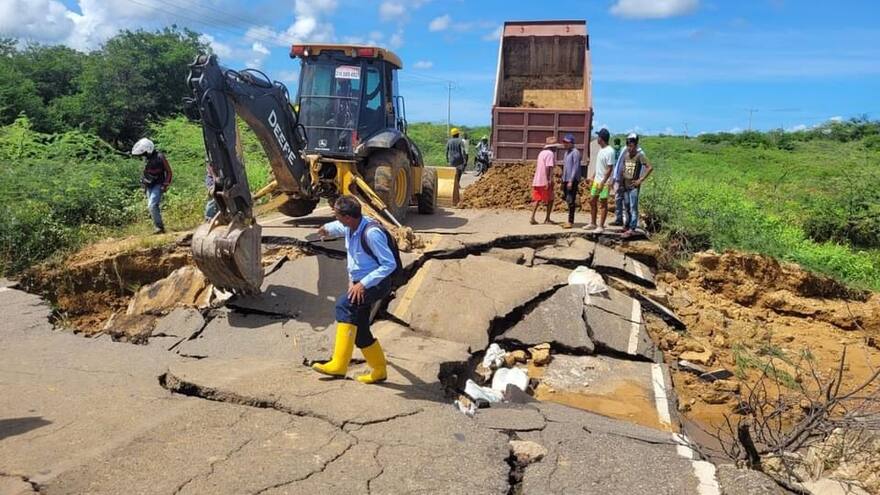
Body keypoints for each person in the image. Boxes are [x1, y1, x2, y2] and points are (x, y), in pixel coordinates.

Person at [313, 196, 400, 384]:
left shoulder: (371, 233)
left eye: (337, 215)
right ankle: (379, 370)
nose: (336, 218)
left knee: (344, 306)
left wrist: (362, 284)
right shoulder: (349, 226)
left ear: (347, 217)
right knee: (360, 329)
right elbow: (336, 227)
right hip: (361, 282)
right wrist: (325, 229)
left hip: (376, 282)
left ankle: (339, 364)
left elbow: (389, 264)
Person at [616, 133, 653, 239]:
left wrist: (640, 180)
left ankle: (632, 228)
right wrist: (621, 183)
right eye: (628, 146)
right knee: (626, 206)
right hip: (625, 186)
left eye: (631, 146)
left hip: (633, 187)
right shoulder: (626, 156)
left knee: (633, 207)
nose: (629, 148)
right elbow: (623, 170)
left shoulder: (639, 156)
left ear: (635, 146)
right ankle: (626, 226)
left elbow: (649, 167)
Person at [131, 138, 172, 234]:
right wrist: (143, 186)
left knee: (152, 204)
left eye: (144, 153)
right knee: (152, 207)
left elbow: (169, 172)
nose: (143, 155)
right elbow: (144, 173)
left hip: (158, 184)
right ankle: (158, 227)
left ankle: (159, 227)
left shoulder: (160, 157)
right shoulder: (146, 160)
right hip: (149, 186)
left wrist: (165, 184)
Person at [584, 128, 614, 233]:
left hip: (604, 183)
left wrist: (603, 182)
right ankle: (593, 223)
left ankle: (600, 226)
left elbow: (610, 168)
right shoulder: (601, 150)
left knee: (603, 203)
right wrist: (593, 176)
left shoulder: (610, 151)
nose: (597, 139)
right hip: (597, 181)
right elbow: (599, 167)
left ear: (601, 138)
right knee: (592, 200)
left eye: (598, 137)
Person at [529, 136, 560, 225]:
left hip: (537, 180)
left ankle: (532, 217)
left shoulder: (541, 153)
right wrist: (549, 180)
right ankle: (547, 219)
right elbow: (549, 168)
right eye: (555, 146)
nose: (556, 148)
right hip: (545, 180)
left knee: (537, 199)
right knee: (551, 199)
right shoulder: (550, 154)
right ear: (552, 147)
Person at [560, 134, 582, 229]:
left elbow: (575, 168)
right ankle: (569, 220)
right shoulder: (566, 153)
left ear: (571, 143)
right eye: (564, 142)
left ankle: (570, 221)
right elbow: (565, 167)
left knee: (571, 199)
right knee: (567, 198)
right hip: (566, 179)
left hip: (572, 180)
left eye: (566, 142)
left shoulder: (575, 152)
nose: (564, 144)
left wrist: (571, 181)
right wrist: (563, 179)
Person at [610, 137, 626, 227]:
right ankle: (624, 218)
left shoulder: (613, 149)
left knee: (618, 197)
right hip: (622, 174)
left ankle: (619, 219)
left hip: (617, 173)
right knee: (624, 198)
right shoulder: (622, 149)